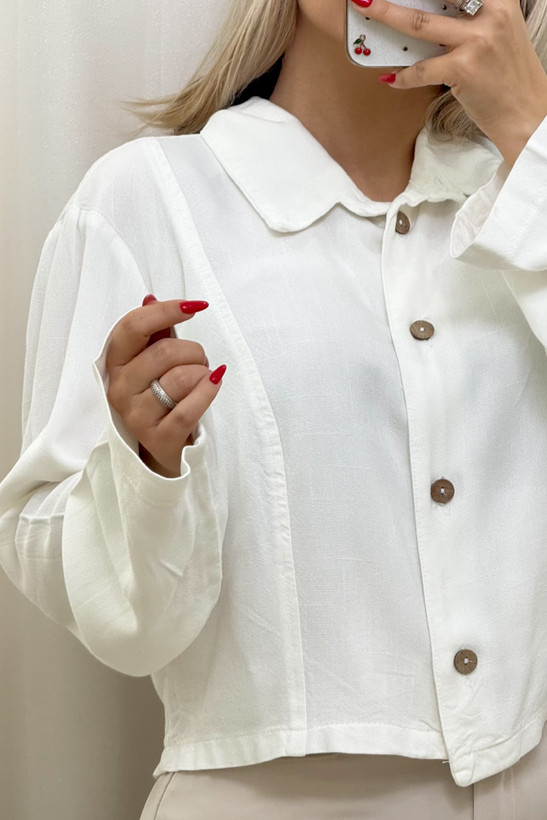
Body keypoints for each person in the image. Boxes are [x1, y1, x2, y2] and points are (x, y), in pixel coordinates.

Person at [1, 0, 547, 817]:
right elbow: (75, 576)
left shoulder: (521, 195)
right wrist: (148, 470)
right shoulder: (151, 195)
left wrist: (531, 136)